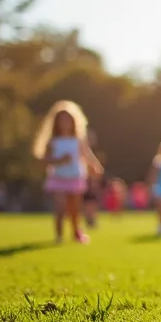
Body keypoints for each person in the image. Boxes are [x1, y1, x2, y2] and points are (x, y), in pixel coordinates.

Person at [33, 100, 103, 244]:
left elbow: (87, 155)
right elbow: (43, 160)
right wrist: (58, 161)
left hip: (75, 176)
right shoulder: (53, 141)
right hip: (58, 177)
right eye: (61, 121)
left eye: (68, 120)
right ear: (56, 123)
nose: (65, 124)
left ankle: (76, 232)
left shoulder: (78, 140)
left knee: (74, 209)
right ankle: (59, 235)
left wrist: (94, 165)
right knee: (60, 207)